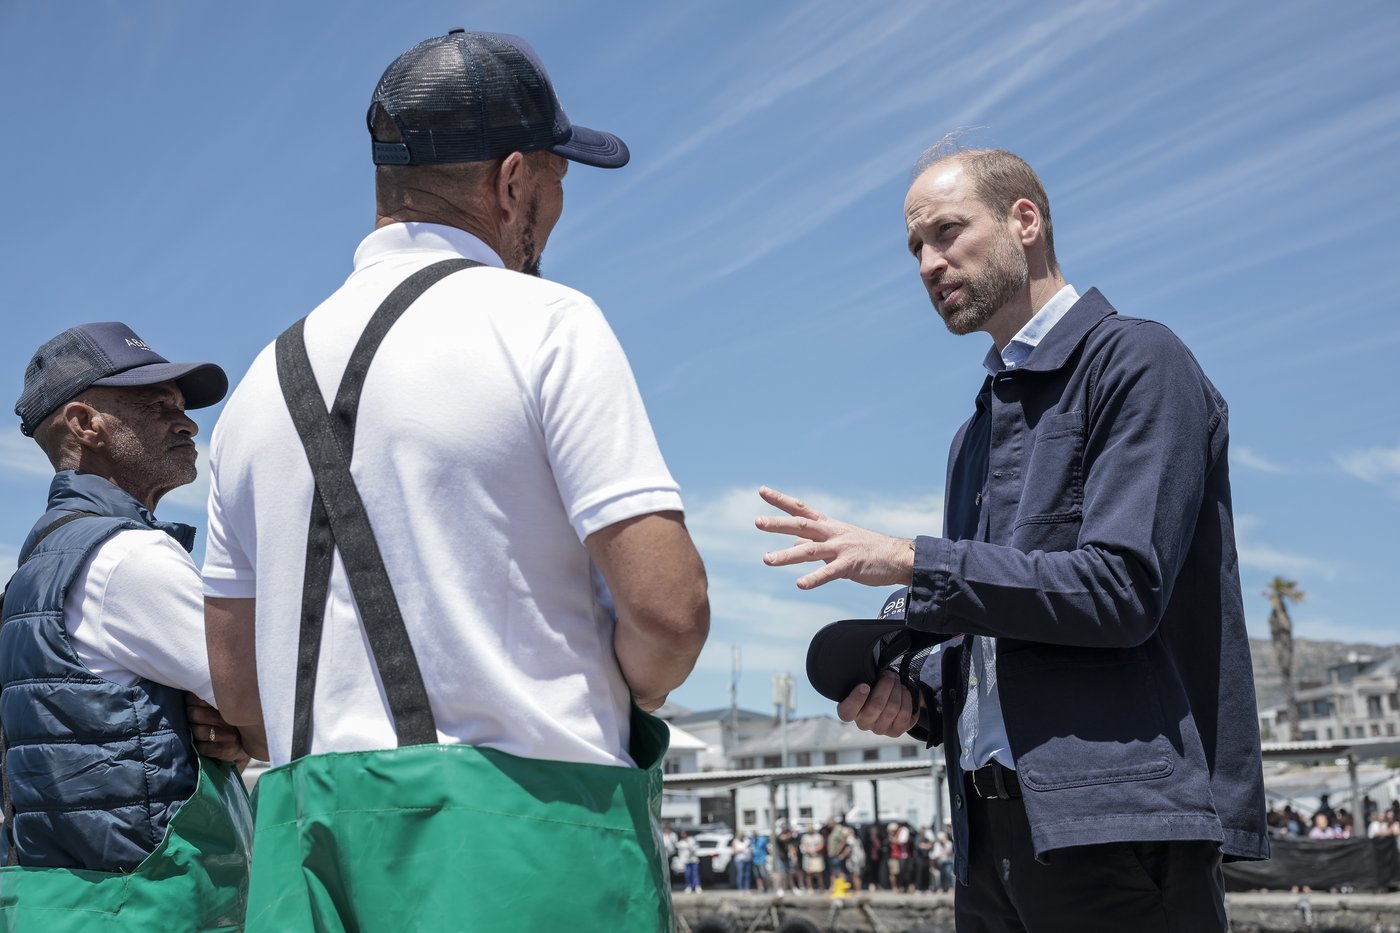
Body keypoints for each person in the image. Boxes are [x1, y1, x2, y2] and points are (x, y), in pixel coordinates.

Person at [201, 30, 709, 932]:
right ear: (512, 182)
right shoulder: (547, 322)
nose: (552, 216)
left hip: (305, 856)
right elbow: (669, 610)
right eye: (554, 188)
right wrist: (632, 677)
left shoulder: (255, 387)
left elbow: (239, 692)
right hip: (527, 846)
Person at [757, 144, 1268, 930]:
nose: (928, 263)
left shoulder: (1139, 361)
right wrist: (920, 702)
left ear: (1024, 220)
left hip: (1118, 835)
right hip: (987, 841)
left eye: (946, 232)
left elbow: (1121, 590)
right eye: (914, 248)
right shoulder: (975, 433)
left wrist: (907, 558)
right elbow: (999, 636)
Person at [1, 323, 252, 930]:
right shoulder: (128, 557)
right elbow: (274, 703)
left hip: (68, 901)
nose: (188, 422)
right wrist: (243, 733)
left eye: (183, 407)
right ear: (86, 425)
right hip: (146, 902)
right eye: (156, 405)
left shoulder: (40, 565)